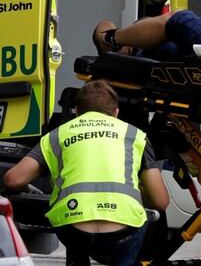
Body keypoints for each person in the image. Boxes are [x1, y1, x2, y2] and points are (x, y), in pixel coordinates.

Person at [3, 80, 169, 266]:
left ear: (76, 111)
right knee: (136, 230)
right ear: (116, 113)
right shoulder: (135, 135)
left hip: (74, 227)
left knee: (73, 231)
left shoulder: (57, 135)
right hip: (122, 230)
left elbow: (13, 179)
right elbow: (160, 201)